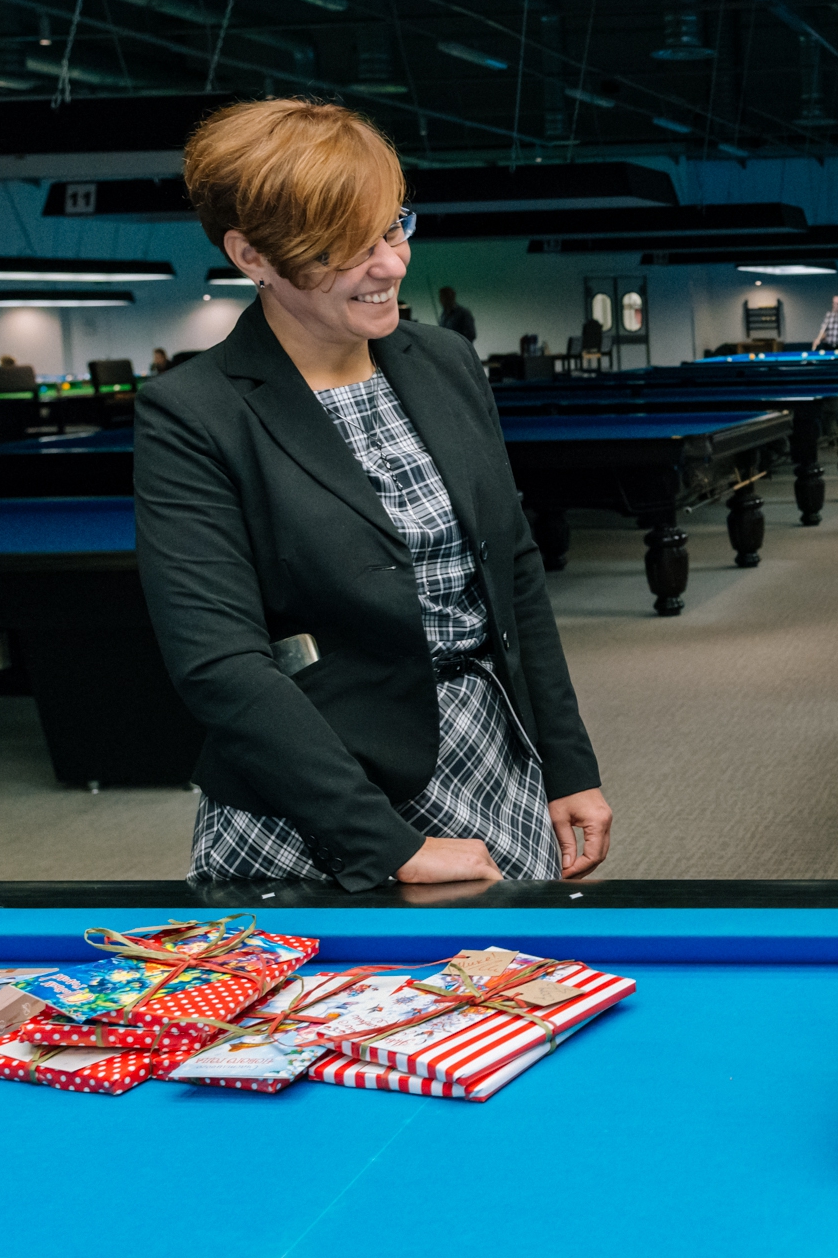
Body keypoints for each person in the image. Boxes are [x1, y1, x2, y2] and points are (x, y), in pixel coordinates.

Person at [135, 99, 612, 889]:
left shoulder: (446, 360)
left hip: (491, 755)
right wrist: (387, 844)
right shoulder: (192, 412)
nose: (390, 265)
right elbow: (220, 663)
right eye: (342, 249)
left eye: (392, 228)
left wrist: (567, 763)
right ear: (252, 255)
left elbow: (515, 572)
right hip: (316, 795)